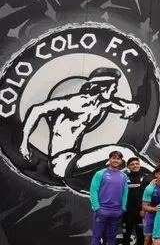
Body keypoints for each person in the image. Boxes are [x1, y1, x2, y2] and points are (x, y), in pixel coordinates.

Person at [17, 67, 145, 179]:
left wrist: (130, 108)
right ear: (103, 88)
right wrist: (24, 143)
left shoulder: (99, 104)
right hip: (61, 163)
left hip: (75, 160)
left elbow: (120, 105)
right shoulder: (74, 103)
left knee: (119, 161)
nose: (114, 91)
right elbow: (36, 110)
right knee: (124, 151)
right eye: (113, 88)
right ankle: (158, 176)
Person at [88, 150, 129, 245]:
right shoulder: (100, 174)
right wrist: (97, 208)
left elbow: (125, 193)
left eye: (118, 159)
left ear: (121, 161)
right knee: (97, 237)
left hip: (116, 212)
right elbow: (93, 191)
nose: (116, 160)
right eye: (113, 158)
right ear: (109, 159)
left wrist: (123, 208)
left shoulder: (123, 176)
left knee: (111, 238)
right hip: (102, 210)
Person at [123, 157, 152, 245]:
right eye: (132, 164)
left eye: (137, 163)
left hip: (140, 213)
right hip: (127, 212)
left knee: (141, 237)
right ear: (128, 166)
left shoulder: (146, 177)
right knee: (126, 236)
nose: (135, 165)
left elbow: (148, 195)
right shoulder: (124, 178)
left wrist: (143, 209)